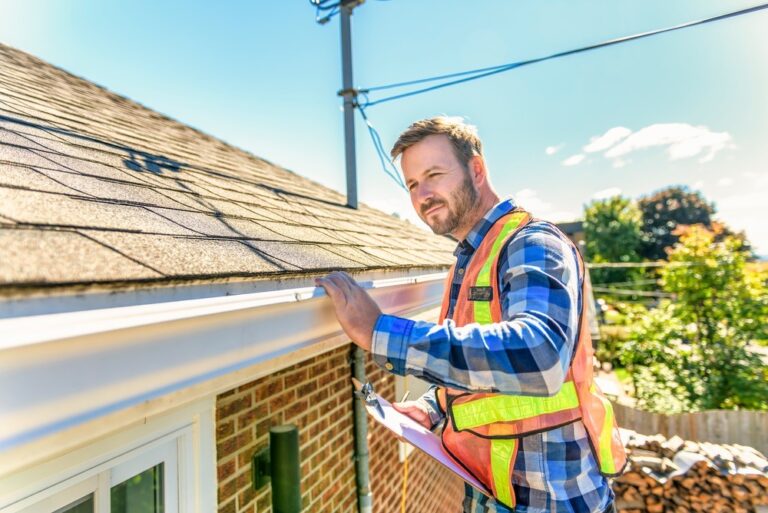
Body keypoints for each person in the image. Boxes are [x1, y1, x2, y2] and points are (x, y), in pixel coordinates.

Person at [316, 116, 625, 513]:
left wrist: (380, 332)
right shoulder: (471, 260)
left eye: (434, 174)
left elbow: (540, 357)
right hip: (497, 495)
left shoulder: (530, 243)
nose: (422, 194)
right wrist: (435, 406)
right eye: (412, 184)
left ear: (476, 169)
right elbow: (486, 366)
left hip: (556, 501)